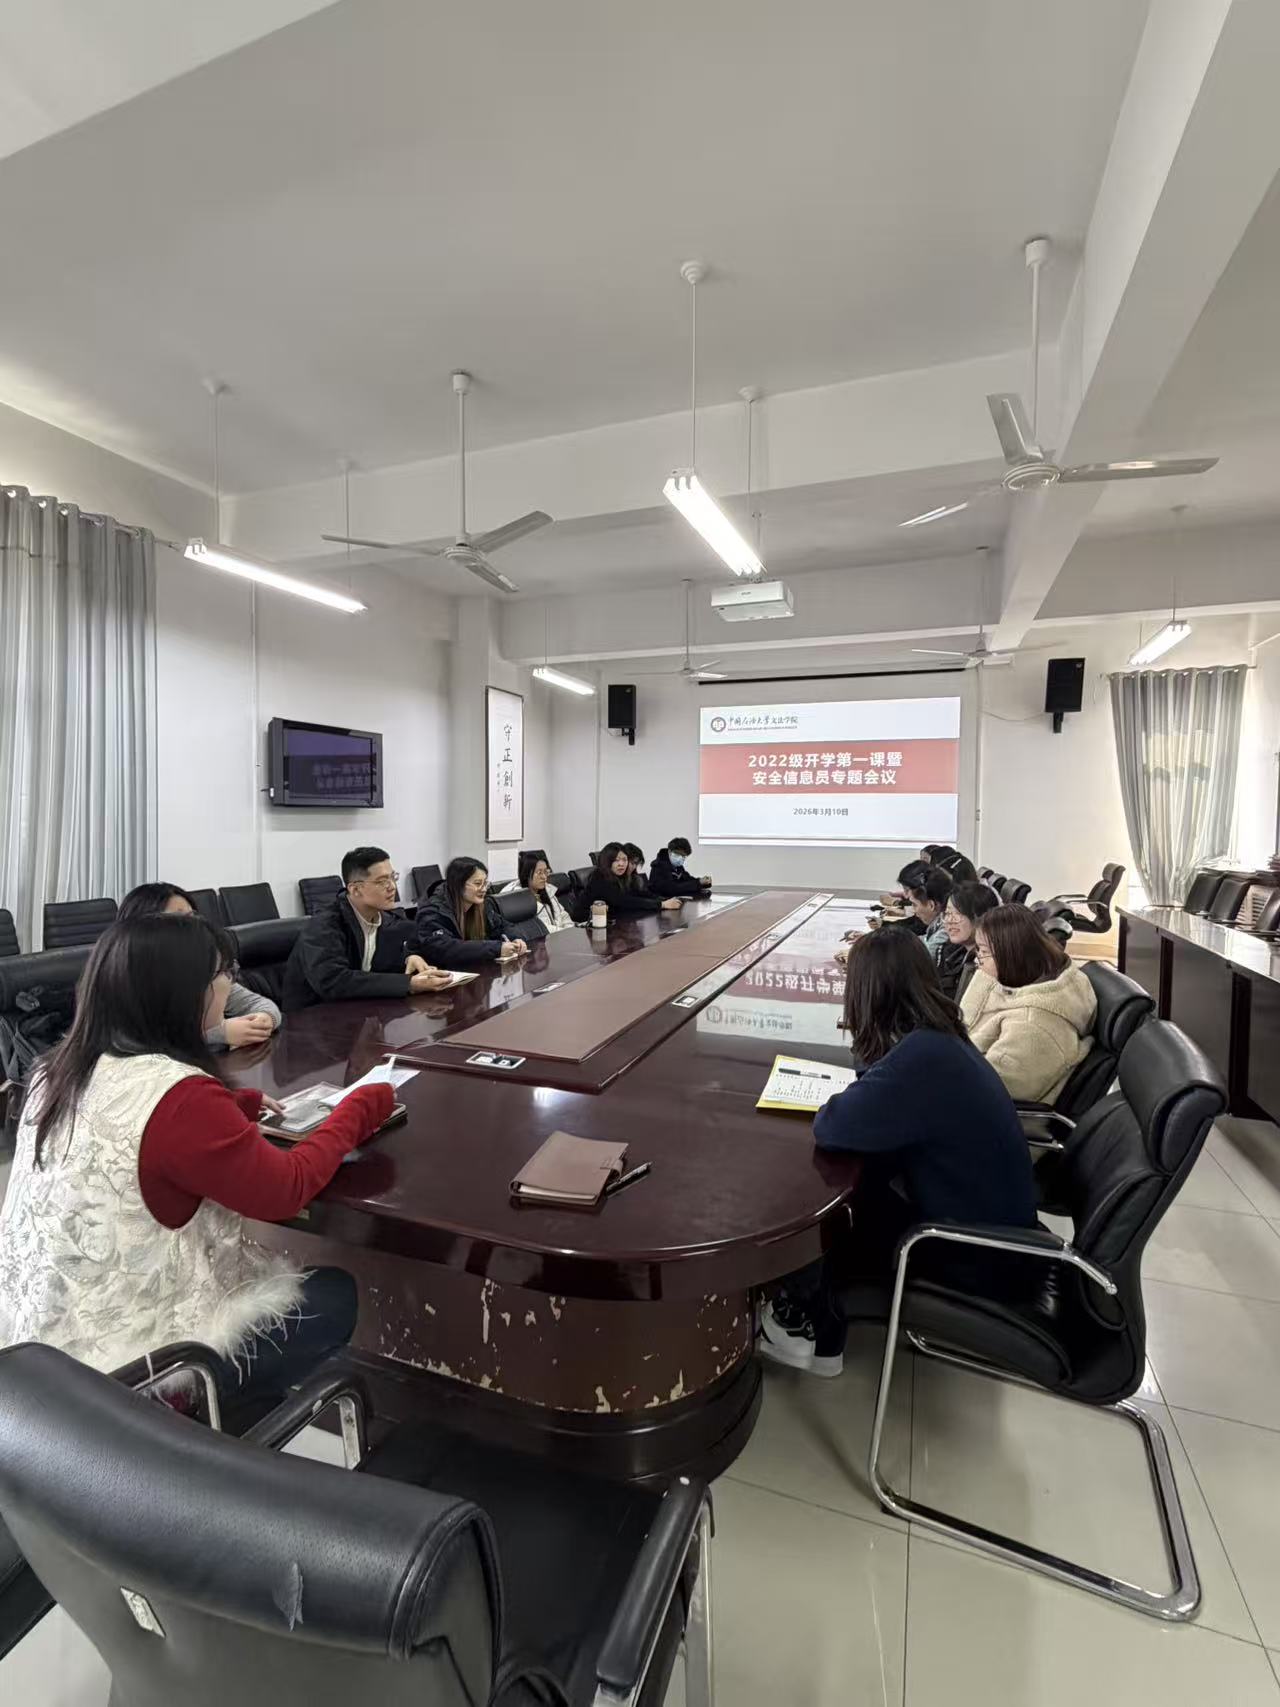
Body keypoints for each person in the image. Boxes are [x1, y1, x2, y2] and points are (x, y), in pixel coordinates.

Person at [0, 913, 394, 1404]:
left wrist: (230, 1108)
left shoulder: (52, 1072)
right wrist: (357, 1109)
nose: (230, 984)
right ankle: (212, 1429)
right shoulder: (180, 1096)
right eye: (222, 973)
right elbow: (286, 1188)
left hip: (30, 1355)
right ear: (185, 991)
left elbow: (124, 1130)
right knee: (334, 1294)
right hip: (134, 1380)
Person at [760, 928, 1039, 1377]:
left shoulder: (923, 1058)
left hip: (975, 1253)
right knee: (860, 1174)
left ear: (869, 994)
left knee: (807, 1186)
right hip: (994, 1233)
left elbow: (834, 1124)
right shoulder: (940, 1036)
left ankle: (809, 1328)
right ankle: (817, 1318)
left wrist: (866, 1050)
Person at [119, 881, 282, 1051]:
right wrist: (220, 1034)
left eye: (192, 916)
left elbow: (259, 1004)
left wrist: (263, 1019)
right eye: (179, 919)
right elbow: (148, 1045)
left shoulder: (208, 969)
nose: (193, 925)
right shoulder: (131, 985)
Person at [283, 846, 452, 1010]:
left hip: (360, 1011)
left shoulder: (387, 919)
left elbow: (379, 967)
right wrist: (409, 984)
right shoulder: (325, 925)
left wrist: (409, 958)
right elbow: (333, 981)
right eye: (382, 881)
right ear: (355, 889)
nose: (392, 887)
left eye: (393, 877)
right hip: (312, 1017)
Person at [961, 903, 1096, 1104]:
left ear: (1010, 956)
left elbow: (988, 1091)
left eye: (983, 951)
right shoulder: (1034, 979)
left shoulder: (1032, 1026)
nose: (978, 959)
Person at [416, 857, 537, 968]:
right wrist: (496, 949)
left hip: (476, 972)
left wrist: (516, 939)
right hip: (445, 976)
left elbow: (503, 926)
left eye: (485, 883)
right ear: (458, 884)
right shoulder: (433, 911)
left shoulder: (481, 905)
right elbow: (447, 949)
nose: (484, 889)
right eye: (478, 884)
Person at [574, 843, 683, 920]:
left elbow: (636, 893)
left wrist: (664, 899)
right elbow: (624, 901)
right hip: (586, 924)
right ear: (607, 862)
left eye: (624, 860)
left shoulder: (622, 876)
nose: (621, 864)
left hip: (611, 920)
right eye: (616, 860)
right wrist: (661, 904)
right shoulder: (600, 877)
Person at [938, 879, 1000, 1000]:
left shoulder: (987, 965)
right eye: (948, 913)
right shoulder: (952, 952)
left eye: (958, 914)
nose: (950, 920)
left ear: (981, 916)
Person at [499, 852, 575, 933]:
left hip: (562, 936)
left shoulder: (547, 890)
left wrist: (571, 931)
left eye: (546, 872)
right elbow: (539, 927)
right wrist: (564, 933)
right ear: (526, 874)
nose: (544, 877)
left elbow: (563, 915)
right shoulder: (517, 898)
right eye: (539, 873)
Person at [905, 867, 954, 964]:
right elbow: (923, 940)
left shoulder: (947, 928)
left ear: (931, 905)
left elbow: (924, 957)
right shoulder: (937, 924)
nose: (914, 911)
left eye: (914, 905)